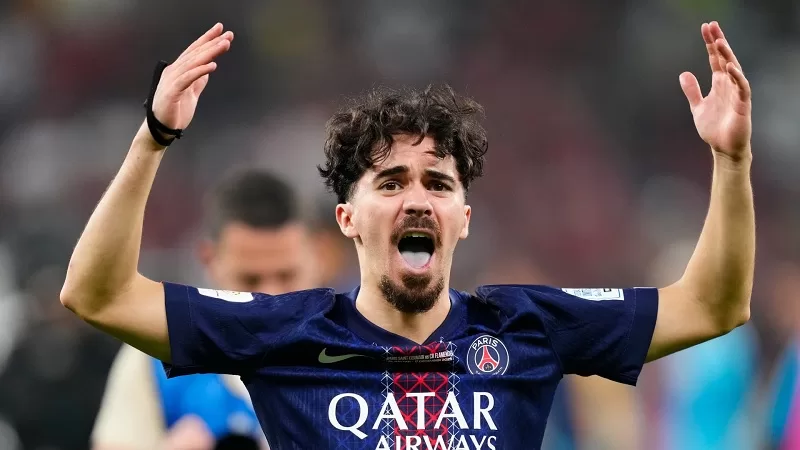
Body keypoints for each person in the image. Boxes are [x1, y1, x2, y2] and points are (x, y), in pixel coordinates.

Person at [60, 21, 754, 449]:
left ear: (464, 219)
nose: (417, 199)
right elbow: (96, 294)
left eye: (439, 184)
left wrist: (731, 161)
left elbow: (712, 306)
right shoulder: (282, 331)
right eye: (390, 183)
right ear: (347, 219)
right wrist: (153, 138)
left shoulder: (527, 326)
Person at [91, 170, 321, 450]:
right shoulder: (155, 350)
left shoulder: (360, 349)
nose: (270, 297)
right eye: (250, 280)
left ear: (317, 255)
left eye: (287, 276)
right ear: (209, 259)